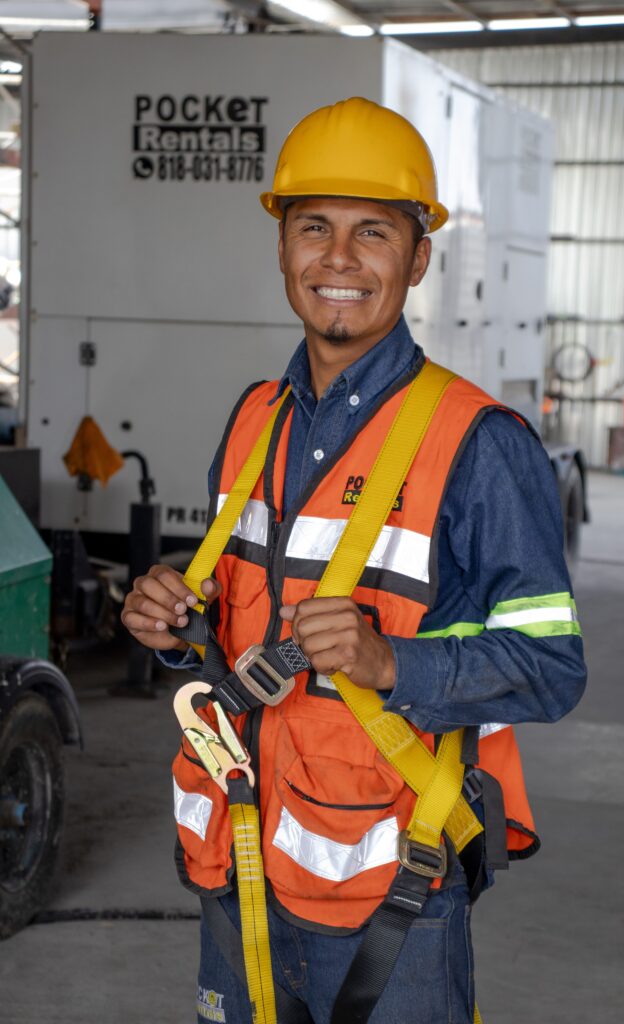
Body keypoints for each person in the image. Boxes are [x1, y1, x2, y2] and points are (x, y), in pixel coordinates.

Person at [122, 97, 586, 1024]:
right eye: (314, 228)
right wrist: (177, 627)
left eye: (372, 232)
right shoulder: (255, 419)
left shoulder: (479, 444)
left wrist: (389, 663)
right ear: (281, 247)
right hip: (239, 862)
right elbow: (239, 630)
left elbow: (551, 669)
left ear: (417, 259)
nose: (338, 258)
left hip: (391, 895)